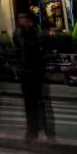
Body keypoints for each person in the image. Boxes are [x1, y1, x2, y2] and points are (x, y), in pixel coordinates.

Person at [15, 11, 56, 142]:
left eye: (23, 17)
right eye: (19, 17)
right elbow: (17, 51)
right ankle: (32, 130)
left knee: (42, 103)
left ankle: (49, 132)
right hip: (26, 71)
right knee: (29, 103)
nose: (20, 20)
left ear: (29, 20)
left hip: (37, 72)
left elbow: (45, 52)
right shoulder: (18, 34)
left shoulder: (38, 34)